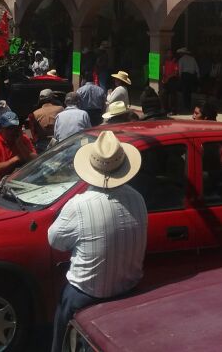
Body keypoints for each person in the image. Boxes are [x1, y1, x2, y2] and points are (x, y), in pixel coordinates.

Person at [47, 131, 147, 352]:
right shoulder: (137, 198)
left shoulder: (79, 205)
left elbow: (55, 240)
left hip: (85, 295)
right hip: (130, 290)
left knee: (61, 333)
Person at [0, 111, 36, 183]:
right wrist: (16, 158)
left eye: (14, 128)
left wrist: (20, 144)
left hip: (20, 183)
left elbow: (35, 161)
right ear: (1, 129)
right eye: (9, 128)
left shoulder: (23, 139)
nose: (12, 131)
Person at [176, 48, 199, 112]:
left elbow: (180, 69)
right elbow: (196, 68)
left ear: (182, 53)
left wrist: (180, 77)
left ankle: (186, 106)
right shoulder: (192, 58)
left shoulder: (181, 59)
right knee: (189, 91)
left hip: (185, 76)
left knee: (185, 91)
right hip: (191, 76)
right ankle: (189, 105)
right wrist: (198, 76)